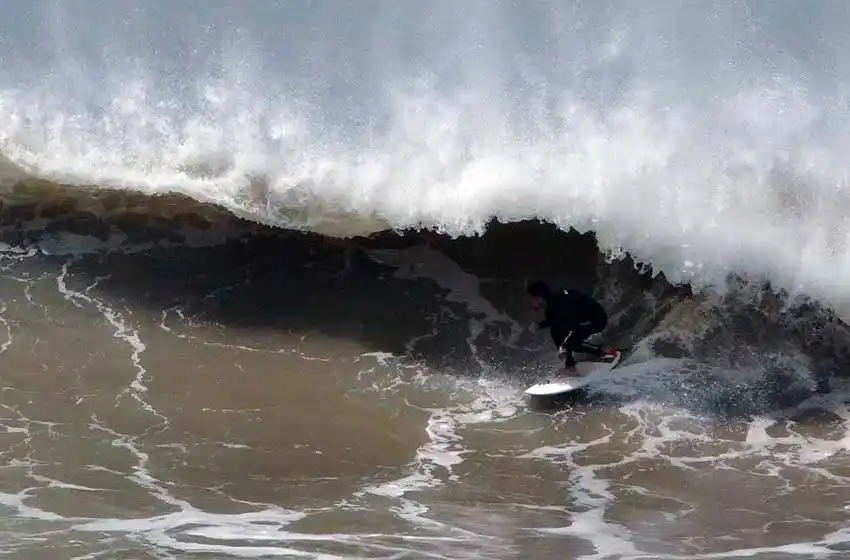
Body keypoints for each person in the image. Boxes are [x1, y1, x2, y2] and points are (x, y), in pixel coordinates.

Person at [526, 280, 615, 375]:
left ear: (539, 297)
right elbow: (552, 321)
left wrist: (564, 347)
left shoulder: (561, 303)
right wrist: (538, 325)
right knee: (556, 331)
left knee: (569, 342)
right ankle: (570, 366)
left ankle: (604, 351)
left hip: (596, 320)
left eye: (530, 298)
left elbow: (572, 327)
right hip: (580, 320)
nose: (528, 301)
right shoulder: (551, 302)